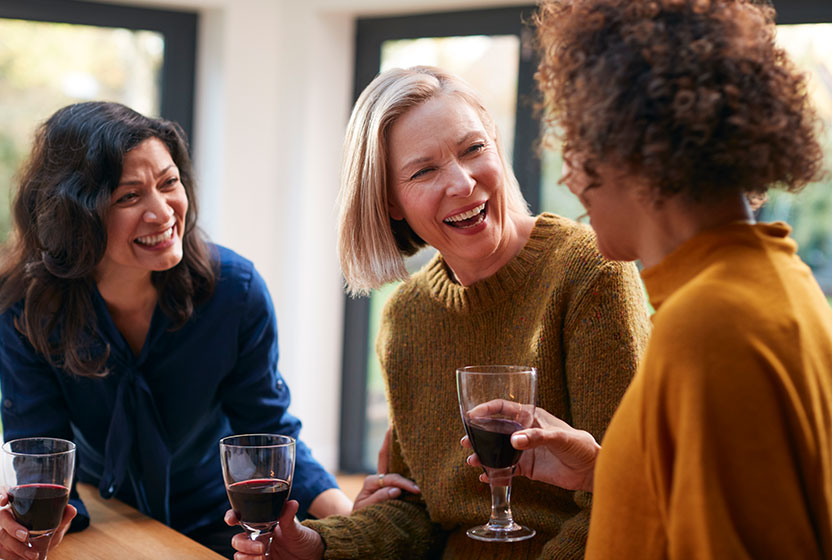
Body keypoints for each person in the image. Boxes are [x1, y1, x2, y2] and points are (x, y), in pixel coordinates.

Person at [228, 66, 651, 559]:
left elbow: (623, 498)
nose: (463, 182)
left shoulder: (590, 272)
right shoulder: (406, 317)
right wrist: (318, 544)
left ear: (496, 145)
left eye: (473, 148)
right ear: (390, 201)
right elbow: (417, 511)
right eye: (424, 171)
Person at [490, 0, 832, 558]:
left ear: (630, 145)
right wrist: (605, 471)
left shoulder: (711, 327)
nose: (569, 175)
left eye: (579, 141)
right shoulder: (776, 281)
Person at [0, 101, 398, 560]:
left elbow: (267, 430)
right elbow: (38, 457)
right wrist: (22, 532)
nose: (162, 212)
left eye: (169, 183)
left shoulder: (234, 290)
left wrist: (350, 521)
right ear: (76, 213)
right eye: (128, 197)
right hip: (105, 514)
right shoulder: (26, 310)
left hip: (225, 517)